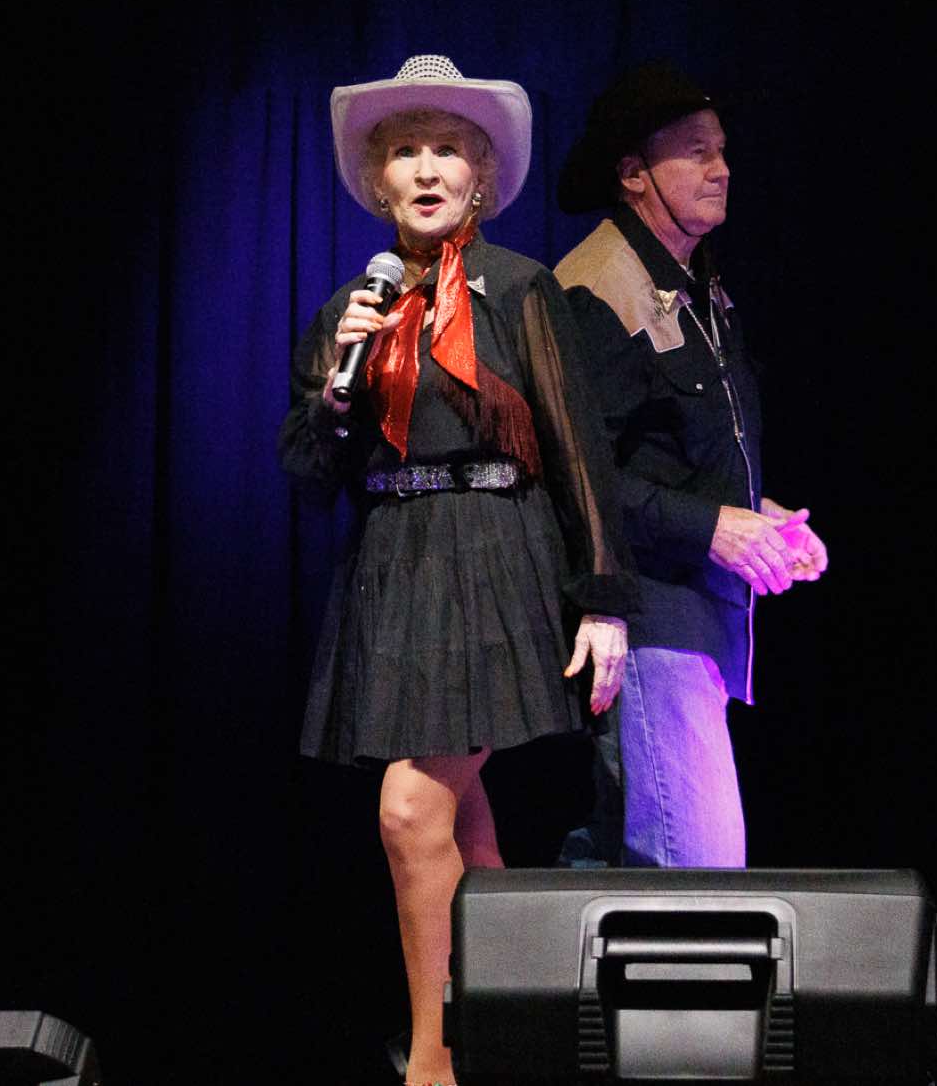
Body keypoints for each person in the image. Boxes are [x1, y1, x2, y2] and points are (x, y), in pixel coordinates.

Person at [280, 54, 641, 1086]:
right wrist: (337, 395)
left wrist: (603, 600)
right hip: (397, 566)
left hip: (497, 553)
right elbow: (307, 474)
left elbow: (577, 446)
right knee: (464, 832)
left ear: (480, 177)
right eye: (405, 152)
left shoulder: (519, 287)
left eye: (446, 150)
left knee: (409, 807)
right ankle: (521, 1038)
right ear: (378, 180)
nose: (426, 168)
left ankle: (433, 1065)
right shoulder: (350, 309)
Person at [551, 59, 829, 869]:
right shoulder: (595, 291)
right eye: (697, 152)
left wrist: (758, 517)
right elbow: (580, 479)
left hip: (696, 623)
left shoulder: (696, 284)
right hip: (648, 622)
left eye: (723, 150)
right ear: (634, 173)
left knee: (633, 860)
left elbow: (671, 452)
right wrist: (713, 526)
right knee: (697, 876)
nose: (722, 168)